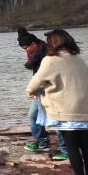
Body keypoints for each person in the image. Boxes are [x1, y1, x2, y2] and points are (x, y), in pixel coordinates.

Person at [26, 29, 88, 175]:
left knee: (72, 147)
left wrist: (31, 92)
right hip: (85, 108)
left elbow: (34, 83)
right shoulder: (78, 59)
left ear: (53, 43)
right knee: (87, 146)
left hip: (65, 109)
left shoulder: (50, 60)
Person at [18, 28, 62, 157]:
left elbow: (46, 74)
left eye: (27, 48)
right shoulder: (34, 54)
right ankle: (43, 141)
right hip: (39, 90)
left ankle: (65, 147)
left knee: (56, 117)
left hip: (50, 90)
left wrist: (35, 89)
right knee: (33, 116)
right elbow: (37, 75)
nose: (26, 51)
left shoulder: (47, 53)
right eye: (23, 49)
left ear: (34, 44)